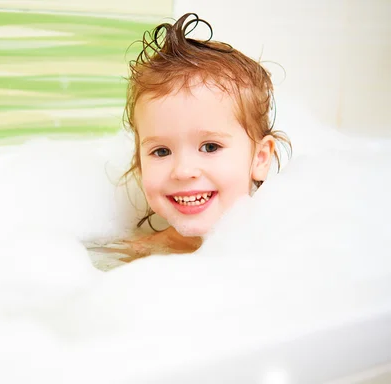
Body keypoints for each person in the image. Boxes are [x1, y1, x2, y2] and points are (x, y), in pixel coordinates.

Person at [88, 12, 291, 268]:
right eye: (161, 151)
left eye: (210, 147)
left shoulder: (284, 249)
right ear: (139, 162)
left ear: (260, 158)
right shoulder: (138, 257)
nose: (183, 171)